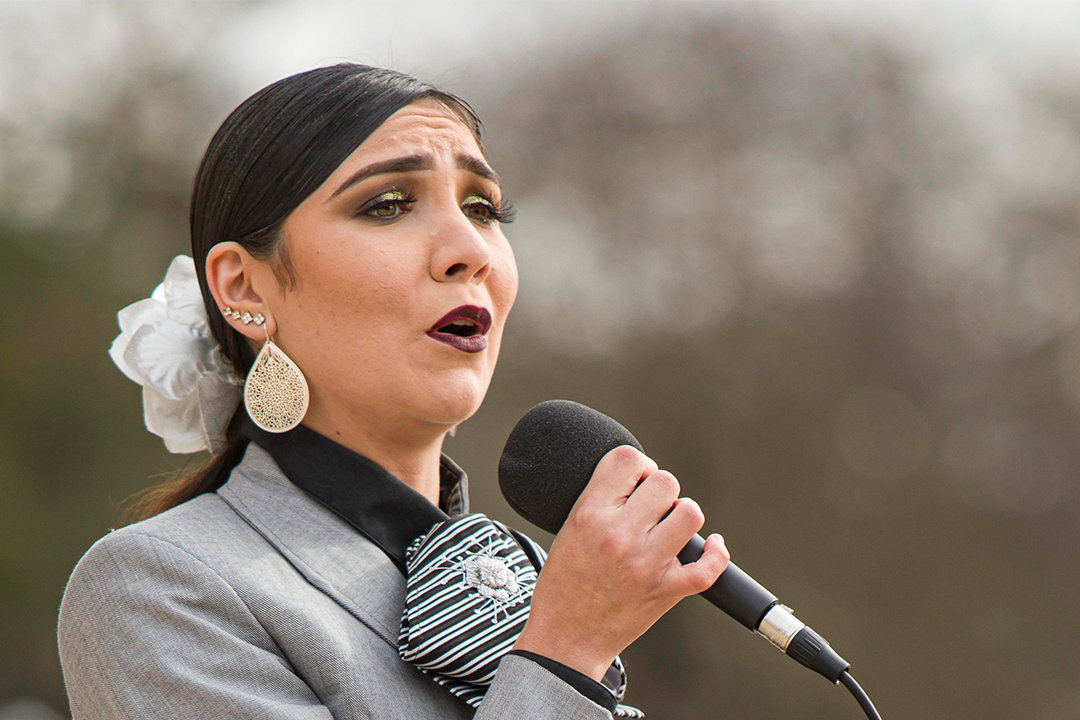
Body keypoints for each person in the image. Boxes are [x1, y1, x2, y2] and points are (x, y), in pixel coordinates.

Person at [57, 64, 730, 720]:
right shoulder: (158, 586)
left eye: (483, 208)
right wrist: (566, 654)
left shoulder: (527, 580)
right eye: (388, 205)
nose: (470, 249)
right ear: (242, 287)